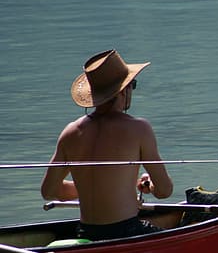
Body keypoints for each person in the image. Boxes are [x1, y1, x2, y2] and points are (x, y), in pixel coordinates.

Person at [41, 49, 174, 241]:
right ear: (124, 90)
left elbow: (49, 191)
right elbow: (164, 191)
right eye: (132, 85)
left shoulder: (70, 132)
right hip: (127, 232)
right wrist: (145, 186)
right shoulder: (139, 129)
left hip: (86, 232)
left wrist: (100, 186)